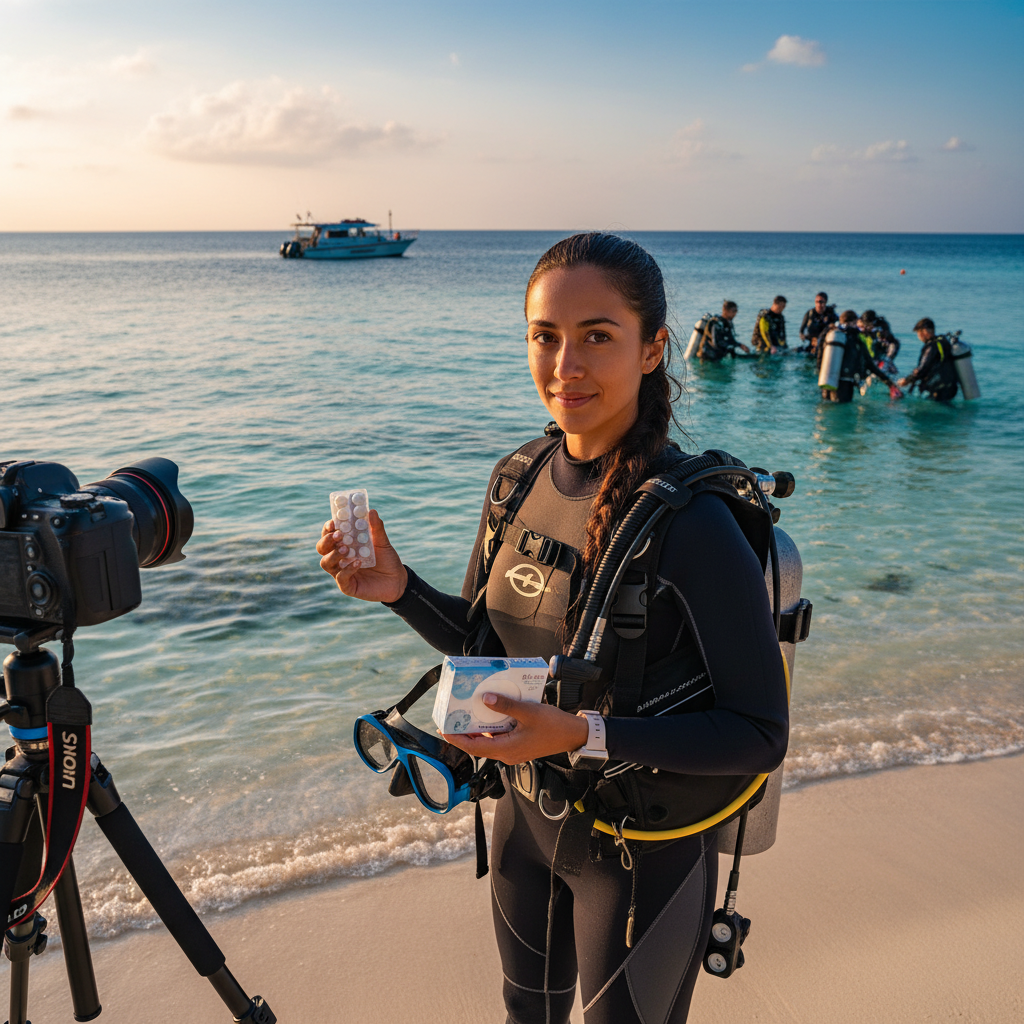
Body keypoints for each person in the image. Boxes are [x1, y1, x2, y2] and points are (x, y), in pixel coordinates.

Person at [316, 233, 788, 1024]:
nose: (565, 365)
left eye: (597, 336)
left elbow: (759, 732)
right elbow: (480, 645)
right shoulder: (517, 477)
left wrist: (579, 734)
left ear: (651, 349)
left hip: (643, 852)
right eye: (546, 336)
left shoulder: (695, 523)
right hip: (526, 825)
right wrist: (398, 590)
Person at [820, 310, 901, 403]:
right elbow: (869, 364)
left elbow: (820, 358)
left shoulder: (832, 335)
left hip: (827, 381)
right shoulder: (856, 339)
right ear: (853, 322)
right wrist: (889, 383)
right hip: (845, 384)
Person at [897, 318, 958, 400]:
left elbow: (922, 369)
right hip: (950, 386)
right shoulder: (943, 341)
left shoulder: (932, 347)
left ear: (924, 331)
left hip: (939, 388)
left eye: (918, 333)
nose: (919, 336)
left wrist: (906, 380)